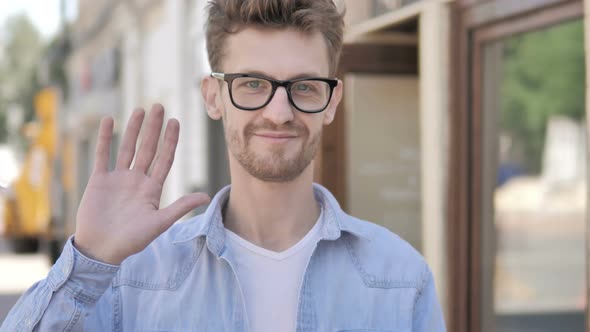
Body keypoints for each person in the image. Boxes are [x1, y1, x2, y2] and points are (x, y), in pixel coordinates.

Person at [1, 0, 446, 331]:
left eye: (305, 87)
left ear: (332, 102)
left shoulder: (401, 279)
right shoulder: (135, 276)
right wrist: (90, 261)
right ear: (213, 97)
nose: (279, 112)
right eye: (252, 84)